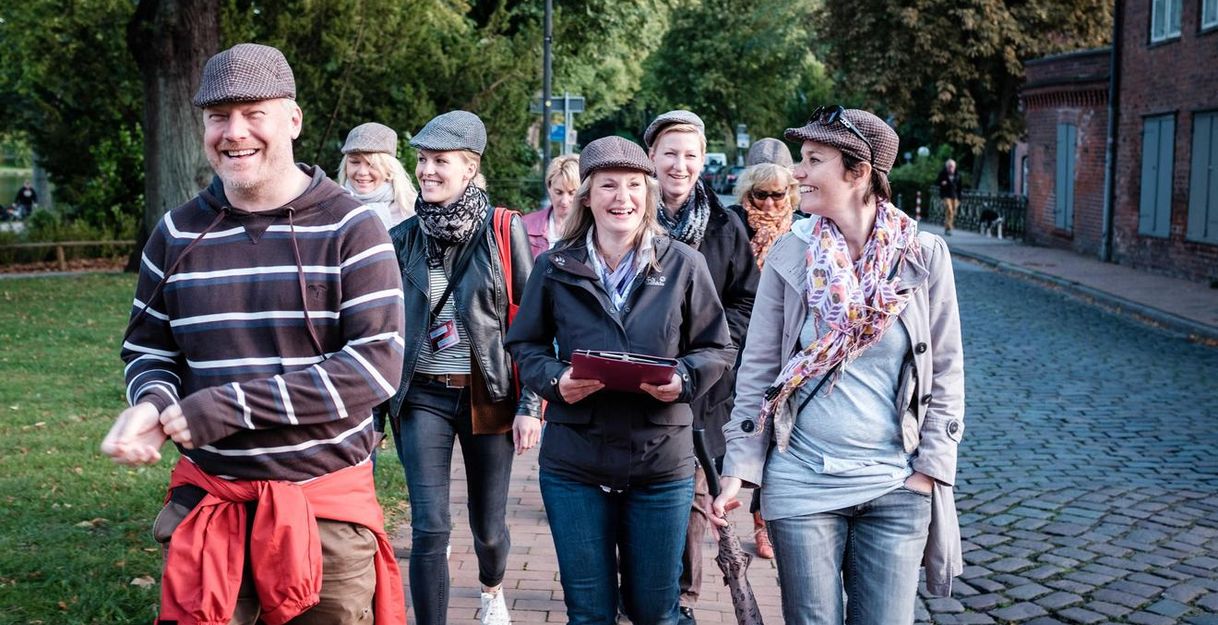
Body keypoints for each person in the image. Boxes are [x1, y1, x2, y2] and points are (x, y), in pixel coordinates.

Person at [100, 43, 407, 625]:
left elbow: (373, 367)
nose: (234, 132)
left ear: (292, 119)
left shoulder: (352, 227)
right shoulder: (175, 232)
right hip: (211, 507)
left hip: (325, 517)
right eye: (219, 116)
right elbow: (149, 347)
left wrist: (230, 407)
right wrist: (152, 403)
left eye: (253, 113)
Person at [712, 106, 965, 625]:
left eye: (813, 160)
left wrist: (930, 472)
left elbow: (945, 371)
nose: (797, 172)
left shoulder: (921, 256)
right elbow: (759, 369)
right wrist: (740, 466)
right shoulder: (791, 253)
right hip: (801, 484)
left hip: (896, 486)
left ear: (859, 172)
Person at [504, 135, 734, 625]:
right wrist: (554, 380)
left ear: (648, 194)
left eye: (634, 185)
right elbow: (524, 344)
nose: (622, 198)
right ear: (587, 195)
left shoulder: (682, 265)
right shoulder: (555, 265)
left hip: (660, 460)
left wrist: (686, 379)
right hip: (575, 462)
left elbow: (718, 348)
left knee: (655, 611)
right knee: (589, 614)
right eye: (608, 185)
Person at [386, 109, 541, 625]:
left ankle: (491, 590)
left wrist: (531, 405)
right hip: (422, 395)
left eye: (440, 161)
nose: (427, 170)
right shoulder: (402, 237)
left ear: (470, 168)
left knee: (489, 527)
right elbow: (384, 330)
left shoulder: (503, 229)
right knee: (430, 528)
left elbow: (532, 321)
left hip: (486, 393)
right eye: (423, 159)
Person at [644, 110, 758, 624]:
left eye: (690, 155)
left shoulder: (724, 225)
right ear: (651, 156)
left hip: (704, 385)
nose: (680, 164)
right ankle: (644, 588)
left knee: (691, 492)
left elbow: (745, 300)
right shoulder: (630, 216)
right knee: (638, 488)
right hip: (636, 379)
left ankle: (681, 599)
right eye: (670, 152)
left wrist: (710, 346)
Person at [337, 121, 417, 229]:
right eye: (355, 162)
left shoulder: (410, 212)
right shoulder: (331, 205)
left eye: (372, 164)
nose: (362, 172)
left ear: (389, 169)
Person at [522, 154, 579, 258]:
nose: (564, 201)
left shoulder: (595, 230)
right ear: (549, 187)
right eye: (558, 192)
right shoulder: (525, 226)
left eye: (571, 193)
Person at [937, 158, 962, 235]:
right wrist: (942, 183)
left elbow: (960, 187)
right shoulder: (943, 173)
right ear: (947, 167)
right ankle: (949, 228)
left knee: (951, 212)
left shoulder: (958, 174)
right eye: (950, 166)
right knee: (950, 210)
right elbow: (937, 182)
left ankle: (947, 227)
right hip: (946, 195)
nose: (951, 168)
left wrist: (960, 197)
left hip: (955, 196)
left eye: (952, 166)